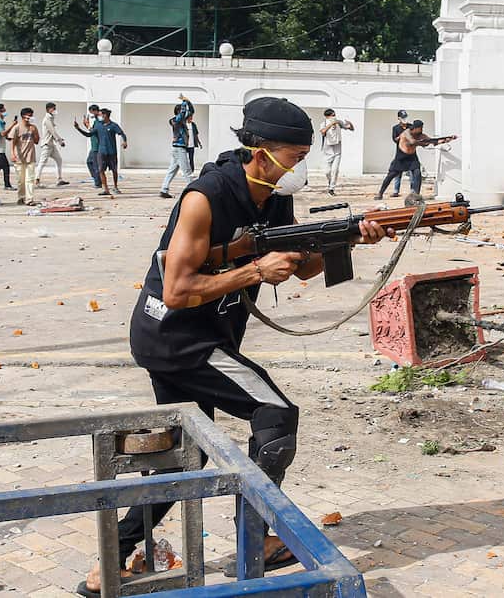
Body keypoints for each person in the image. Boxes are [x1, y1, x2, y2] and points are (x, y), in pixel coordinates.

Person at [77, 98, 390, 594]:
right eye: (294, 155)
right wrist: (253, 271)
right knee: (275, 414)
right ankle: (255, 540)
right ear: (261, 152)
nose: (300, 166)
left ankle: (111, 560)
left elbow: (299, 264)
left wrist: (350, 239)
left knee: (188, 454)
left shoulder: (273, 197)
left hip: (207, 335)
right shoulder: (206, 196)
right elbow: (178, 289)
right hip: (176, 336)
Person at [376, 120, 456, 200]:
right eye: (420, 128)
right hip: (401, 157)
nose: (421, 130)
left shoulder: (420, 135)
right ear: (415, 128)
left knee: (417, 174)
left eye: (422, 128)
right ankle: (380, 193)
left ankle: (415, 195)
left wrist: (446, 140)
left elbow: (433, 141)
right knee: (390, 176)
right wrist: (424, 143)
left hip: (412, 157)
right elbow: (412, 142)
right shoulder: (406, 133)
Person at [75, 108, 127, 196]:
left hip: (112, 152)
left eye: (101, 115)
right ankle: (106, 189)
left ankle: (115, 186)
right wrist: (78, 128)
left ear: (105, 115)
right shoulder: (98, 126)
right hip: (101, 152)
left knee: (114, 170)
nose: (99, 116)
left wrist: (125, 141)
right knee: (101, 170)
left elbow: (122, 133)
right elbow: (89, 134)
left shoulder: (113, 125)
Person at [159, 96, 195, 199]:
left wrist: (188, 101)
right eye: (182, 110)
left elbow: (191, 111)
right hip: (179, 149)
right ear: (178, 111)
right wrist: (184, 102)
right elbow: (184, 113)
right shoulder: (176, 120)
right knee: (187, 171)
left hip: (177, 148)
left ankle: (164, 189)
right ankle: (192, 191)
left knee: (172, 170)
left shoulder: (180, 120)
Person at [5, 108, 40, 206]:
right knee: (21, 180)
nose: (30, 117)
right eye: (29, 115)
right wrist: (12, 153)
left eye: (31, 115)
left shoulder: (33, 128)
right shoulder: (17, 127)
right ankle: (21, 197)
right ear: (23, 116)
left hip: (30, 157)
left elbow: (37, 141)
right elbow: (13, 141)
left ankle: (29, 199)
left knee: (30, 179)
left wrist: (34, 132)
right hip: (19, 157)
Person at [318, 108, 354, 195]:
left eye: (334, 115)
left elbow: (350, 128)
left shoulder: (339, 122)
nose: (334, 117)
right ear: (327, 116)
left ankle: (331, 189)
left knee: (335, 170)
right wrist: (330, 124)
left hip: (337, 150)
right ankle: (330, 181)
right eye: (332, 115)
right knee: (327, 171)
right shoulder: (323, 124)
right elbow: (322, 132)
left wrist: (350, 124)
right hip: (327, 151)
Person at [34, 102, 69, 188]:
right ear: (48, 109)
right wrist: (60, 141)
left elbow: (52, 133)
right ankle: (36, 180)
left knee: (59, 160)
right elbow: (52, 131)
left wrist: (59, 139)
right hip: (47, 144)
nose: (55, 110)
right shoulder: (47, 119)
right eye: (53, 109)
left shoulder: (51, 118)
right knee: (42, 163)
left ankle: (59, 179)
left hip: (51, 144)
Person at [75, 104, 101, 188]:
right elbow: (92, 131)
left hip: (96, 147)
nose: (91, 115)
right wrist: (87, 125)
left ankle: (98, 182)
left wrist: (79, 128)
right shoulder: (97, 121)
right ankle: (97, 179)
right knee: (89, 162)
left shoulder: (99, 121)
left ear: (95, 111)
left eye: (91, 112)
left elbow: (89, 134)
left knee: (95, 165)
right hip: (94, 146)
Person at [387, 110, 410, 197]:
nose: (405, 119)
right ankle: (396, 191)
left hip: (410, 153)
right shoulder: (395, 128)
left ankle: (413, 191)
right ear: (399, 118)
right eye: (403, 117)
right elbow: (394, 140)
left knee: (412, 173)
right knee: (397, 173)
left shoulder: (411, 126)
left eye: (405, 117)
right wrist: (402, 136)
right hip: (400, 153)